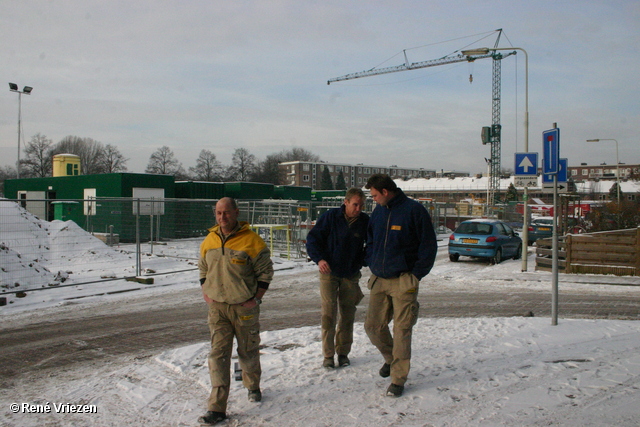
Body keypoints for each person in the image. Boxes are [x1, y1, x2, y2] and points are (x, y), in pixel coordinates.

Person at [197, 197, 274, 425]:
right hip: (217, 309)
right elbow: (203, 267)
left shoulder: (252, 241)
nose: (223, 217)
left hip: (244, 308)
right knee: (218, 354)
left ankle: (253, 386)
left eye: (227, 213)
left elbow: (266, 272)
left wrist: (256, 299)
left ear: (236, 212)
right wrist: (206, 291)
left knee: (248, 350)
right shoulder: (209, 240)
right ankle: (217, 407)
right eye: (219, 213)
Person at [364, 174, 437, 397]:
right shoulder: (378, 211)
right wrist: (371, 260)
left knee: (402, 330)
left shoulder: (414, 211)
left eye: (375, 195)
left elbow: (428, 245)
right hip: (379, 279)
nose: (373, 199)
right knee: (373, 327)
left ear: (385, 192)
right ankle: (390, 358)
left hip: (404, 280)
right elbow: (371, 240)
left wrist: (416, 275)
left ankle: (398, 379)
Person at [306, 188, 369, 369]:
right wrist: (320, 259)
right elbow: (313, 239)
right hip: (329, 273)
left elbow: (371, 245)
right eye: (355, 204)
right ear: (346, 202)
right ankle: (328, 355)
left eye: (361, 205)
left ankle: (343, 353)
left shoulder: (365, 222)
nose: (358, 208)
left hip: (350, 274)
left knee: (347, 315)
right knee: (328, 314)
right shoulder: (330, 217)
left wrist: (361, 261)